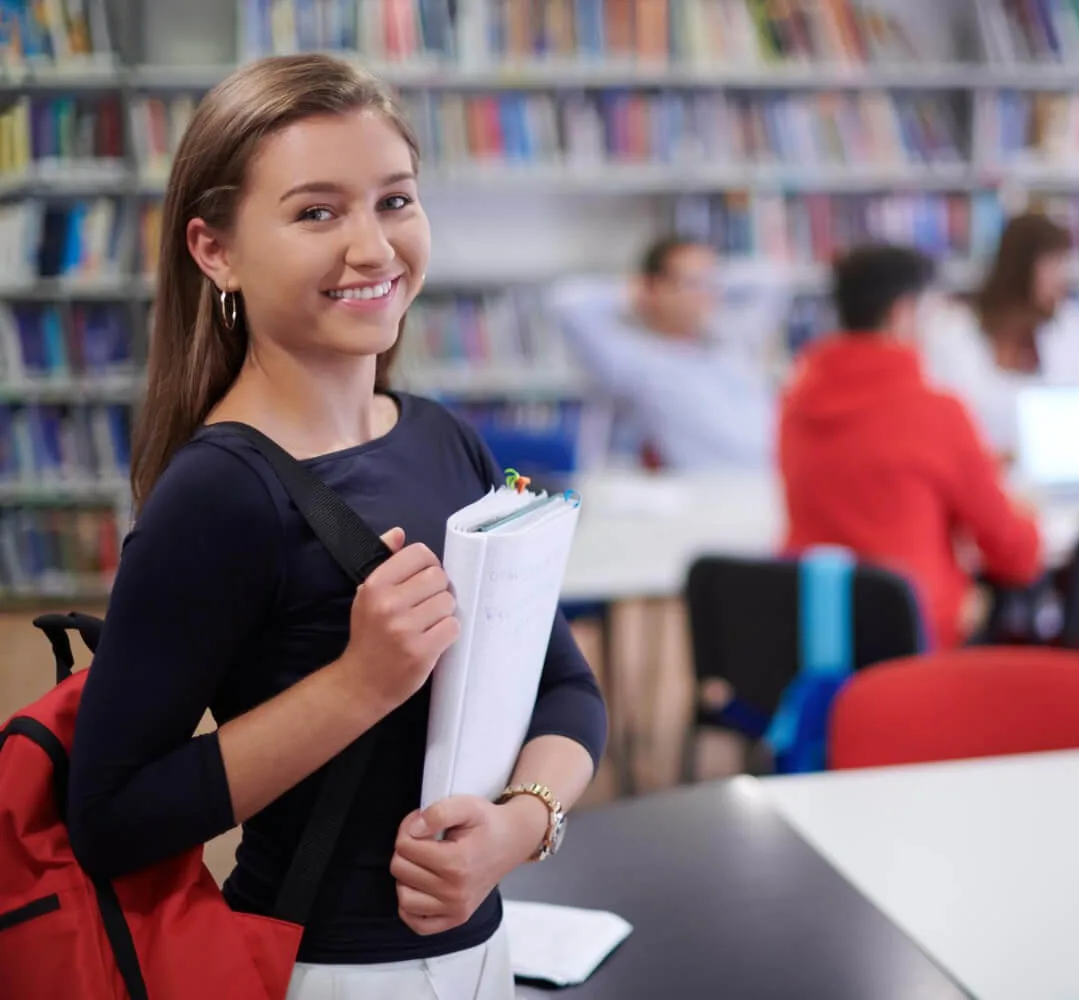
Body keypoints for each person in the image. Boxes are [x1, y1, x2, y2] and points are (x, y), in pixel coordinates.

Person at [64, 55, 606, 1000]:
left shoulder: (445, 438)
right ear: (214, 250)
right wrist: (359, 684)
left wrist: (519, 827)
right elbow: (111, 818)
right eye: (318, 212)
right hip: (318, 972)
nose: (373, 248)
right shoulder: (217, 495)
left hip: (485, 951)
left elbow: (566, 687)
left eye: (394, 200)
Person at [779, 244, 1044, 651]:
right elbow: (1014, 555)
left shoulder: (795, 401)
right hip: (916, 629)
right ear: (903, 313)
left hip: (818, 625)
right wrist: (1026, 514)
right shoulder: (937, 412)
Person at [549, 236, 790, 470]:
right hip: (719, 493)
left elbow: (774, 280)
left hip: (780, 475)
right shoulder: (636, 360)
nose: (705, 294)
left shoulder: (730, 338)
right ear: (654, 289)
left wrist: (711, 276)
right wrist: (637, 292)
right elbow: (567, 303)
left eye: (710, 282)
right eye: (692, 283)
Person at [919, 211, 1079, 456]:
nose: (1061, 277)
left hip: (1057, 465)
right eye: (1052, 264)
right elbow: (942, 413)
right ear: (1020, 267)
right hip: (978, 468)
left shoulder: (1068, 325)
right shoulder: (954, 328)